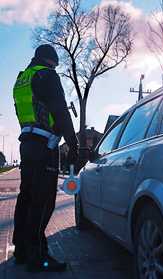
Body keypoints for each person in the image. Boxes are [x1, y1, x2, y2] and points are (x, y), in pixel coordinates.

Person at [12, 44, 78, 272]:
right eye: (55, 64)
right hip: (45, 146)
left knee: (26, 197)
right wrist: (73, 143)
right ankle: (38, 255)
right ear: (50, 61)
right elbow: (60, 110)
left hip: (27, 144)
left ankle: (20, 250)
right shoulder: (47, 75)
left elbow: (23, 110)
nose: (55, 68)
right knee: (43, 201)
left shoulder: (22, 79)